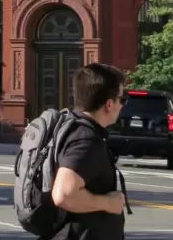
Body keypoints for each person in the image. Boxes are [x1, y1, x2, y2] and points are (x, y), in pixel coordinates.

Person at [50, 62, 128, 240]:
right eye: (121, 99)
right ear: (109, 104)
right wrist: (109, 203)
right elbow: (64, 194)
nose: (122, 105)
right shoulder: (85, 140)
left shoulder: (77, 129)